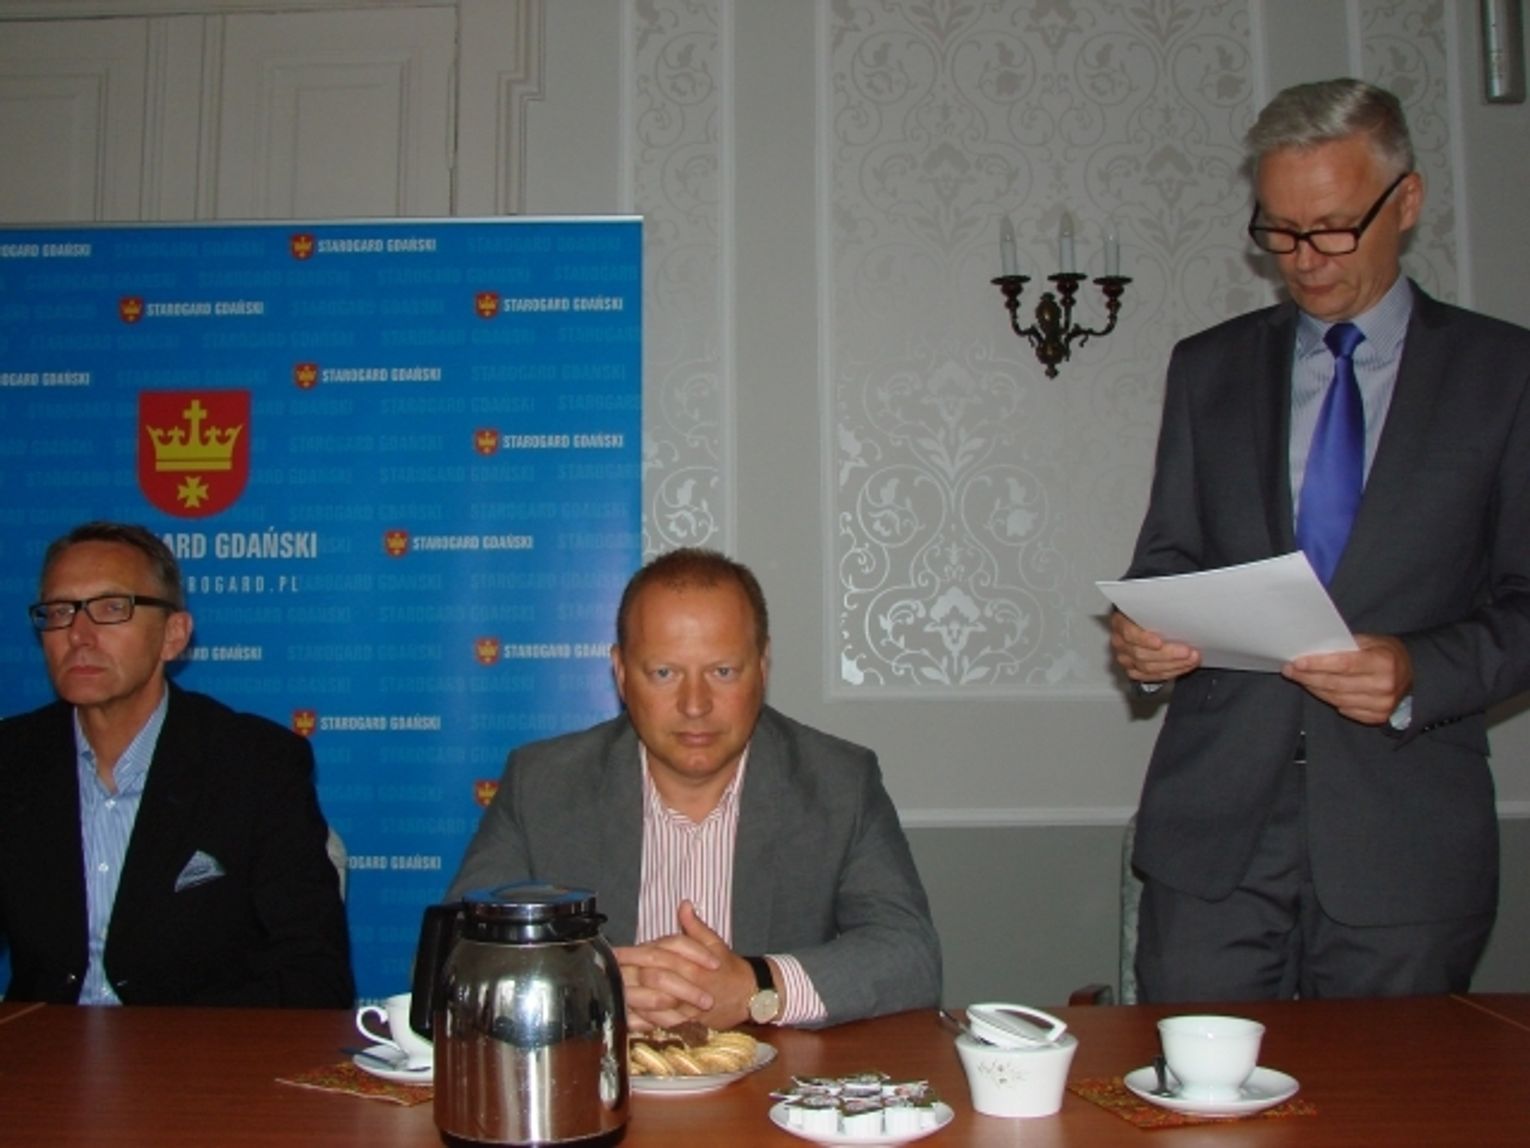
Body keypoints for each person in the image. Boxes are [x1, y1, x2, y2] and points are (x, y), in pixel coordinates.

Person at [1110, 78, 1530, 1001]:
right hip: (1214, 830)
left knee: (1392, 1089)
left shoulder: (1506, 374)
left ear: (1406, 201)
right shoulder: (1209, 368)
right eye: (1280, 231)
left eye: (1334, 229)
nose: (1304, 261)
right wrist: (1144, 644)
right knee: (1193, 1087)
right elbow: (1169, 560)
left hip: (1406, 836)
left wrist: (1418, 670)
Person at [447, 547, 942, 1030]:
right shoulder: (543, 784)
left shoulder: (838, 783)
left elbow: (910, 955)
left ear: (762, 667)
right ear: (621, 674)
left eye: (722, 672)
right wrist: (589, 988)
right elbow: (453, 956)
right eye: (664, 673)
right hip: (602, 1076)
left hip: (773, 1081)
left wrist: (757, 987)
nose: (695, 704)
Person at [0, 521, 354, 1006]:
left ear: (174, 635)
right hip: (43, 1047)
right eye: (60, 611)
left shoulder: (255, 765)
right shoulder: (12, 760)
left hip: (198, 1046)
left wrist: (167, 1047)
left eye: (111, 608)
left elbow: (314, 975)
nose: (78, 635)